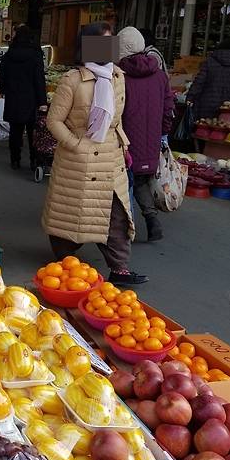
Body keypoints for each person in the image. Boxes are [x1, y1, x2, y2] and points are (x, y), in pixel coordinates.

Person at [42, 22, 147, 285]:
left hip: (111, 157)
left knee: (117, 213)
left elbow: (116, 118)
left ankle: (119, 267)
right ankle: (64, 264)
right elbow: (54, 121)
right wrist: (75, 144)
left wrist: (125, 145)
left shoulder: (117, 77)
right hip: (79, 160)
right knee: (73, 212)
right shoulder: (73, 80)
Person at [118, 26, 175, 243]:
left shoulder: (120, 75)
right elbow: (169, 107)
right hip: (150, 139)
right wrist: (163, 133)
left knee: (124, 184)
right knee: (140, 181)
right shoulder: (160, 75)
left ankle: (125, 230)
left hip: (125, 139)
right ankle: (152, 220)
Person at [0, 24, 47, 169]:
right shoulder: (35, 54)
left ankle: (15, 159)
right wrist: (42, 100)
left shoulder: (10, 54)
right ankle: (34, 160)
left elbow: (1, 75)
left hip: (13, 97)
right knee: (33, 132)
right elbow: (39, 79)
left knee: (15, 131)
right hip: (31, 99)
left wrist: (4, 89)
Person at [186, 35, 230, 119]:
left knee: (203, 128)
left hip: (207, 105)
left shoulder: (210, 61)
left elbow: (199, 82)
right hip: (228, 109)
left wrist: (190, 97)